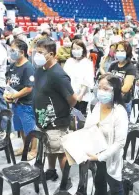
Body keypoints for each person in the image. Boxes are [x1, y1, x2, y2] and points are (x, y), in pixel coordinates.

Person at [33, 38, 78, 185]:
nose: (36, 55)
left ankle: (66, 181)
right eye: (36, 51)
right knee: (49, 148)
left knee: (60, 152)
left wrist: (61, 111)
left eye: (40, 52)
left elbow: (73, 99)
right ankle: (51, 171)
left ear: (51, 54)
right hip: (43, 119)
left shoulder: (59, 75)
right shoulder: (41, 69)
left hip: (57, 121)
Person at [86, 74, 128, 195]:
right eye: (100, 87)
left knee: (115, 184)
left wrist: (101, 156)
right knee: (99, 181)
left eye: (106, 89)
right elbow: (88, 126)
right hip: (95, 153)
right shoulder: (97, 105)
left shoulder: (119, 112)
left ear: (114, 91)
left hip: (110, 156)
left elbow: (119, 143)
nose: (101, 91)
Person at [5, 39, 37, 159]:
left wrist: (14, 96)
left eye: (13, 50)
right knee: (21, 128)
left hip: (26, 104)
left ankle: (34, 150)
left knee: (30, 129)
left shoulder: (28, 67)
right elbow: (9, 83)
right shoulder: (13, 65)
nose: (11, 52)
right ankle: (25, 145)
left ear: (22, 52)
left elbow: (29, 88)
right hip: (16, 104)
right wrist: (6, 94)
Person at [63, 39, 94, 116]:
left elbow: (87, 80)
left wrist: (80, 95)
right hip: (69, 95)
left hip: (82, 97)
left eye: (78, 48)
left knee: (79, 118)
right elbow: (65, 78)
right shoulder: (69, 61)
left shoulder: (87, 63)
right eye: (74, 49)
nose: (75, 50)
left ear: (83, 49)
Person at [108, 41, 136, 115]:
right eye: (118, 51)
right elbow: (107, 80)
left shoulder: (130, 67)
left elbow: (126, 88)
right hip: (111, 100)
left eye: (122, 51)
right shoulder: (113, 65)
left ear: (127, 52)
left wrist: (111, 92)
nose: (119, 52)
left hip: (123, 102)